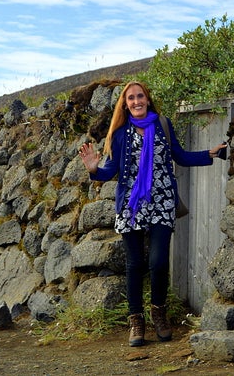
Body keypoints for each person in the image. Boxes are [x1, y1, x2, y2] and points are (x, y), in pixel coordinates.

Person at [78, 81, 226, 347]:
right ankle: (136, 321)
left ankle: (159, 313)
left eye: (140, 96)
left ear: (147, 99)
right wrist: (92, 169)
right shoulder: (119, 134)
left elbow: (180, 156)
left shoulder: (163, 125)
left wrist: (210, 153)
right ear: (125, 104)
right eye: (131, 98)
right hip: (131, 205)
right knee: (134, 265)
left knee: (158, 262)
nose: (136, 101)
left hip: (162, 201)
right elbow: (109, 171)